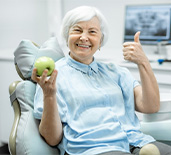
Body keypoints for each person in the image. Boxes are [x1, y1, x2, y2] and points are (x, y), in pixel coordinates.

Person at [32, 6, 171, 155]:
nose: (84, 37)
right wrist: (49, 95)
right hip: (95, 149)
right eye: (77, 30)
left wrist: (143, 62)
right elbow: (52, 139)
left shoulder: (116, 72)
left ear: (101, 40)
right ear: (67, 36)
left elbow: (150, 107)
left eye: (92, 32)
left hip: (136, 141)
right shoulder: (52, 78)